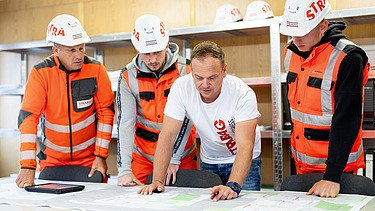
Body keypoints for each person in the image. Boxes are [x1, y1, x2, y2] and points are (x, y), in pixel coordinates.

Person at [139, 41, 262, 201]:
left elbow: (245, 145)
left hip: (244, 158)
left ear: (224, 70)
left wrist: (233, 186)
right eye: (198, 78)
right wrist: (157, 180)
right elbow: (168, 135)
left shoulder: (242, 94)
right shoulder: (181, 88)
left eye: (212, 77)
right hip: (210, 159)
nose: (205, 84)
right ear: (191, 72)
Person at [280, 0, 370, 197]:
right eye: (293, 32)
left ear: (323, 25)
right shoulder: (291, 52)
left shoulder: (348, 57)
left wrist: (332, 176)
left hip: (338, 170)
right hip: (301, 162)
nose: (297, 39)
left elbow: (347, 119)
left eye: (303, 32)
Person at [16, 14, 115, 188]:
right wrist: (27, 165)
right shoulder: (41, 73)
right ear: (56, 50)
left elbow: (106, 114)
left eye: (81, 48)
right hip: (52, 163)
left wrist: (100, 156)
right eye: (72, 50)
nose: (79, 55)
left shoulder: (96, 70)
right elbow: (28, 119)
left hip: (89, 162)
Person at [117, 14, 197, 186]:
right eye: (146, 53)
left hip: (182, 157)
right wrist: (124, 170)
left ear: (167, 44)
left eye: (157, 52)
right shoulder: (127, 76)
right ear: (137, 49)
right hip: (143, 158)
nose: (153, 59)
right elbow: (126, 124)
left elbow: (188, 118)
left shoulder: (187, 70)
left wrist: (173, 157)